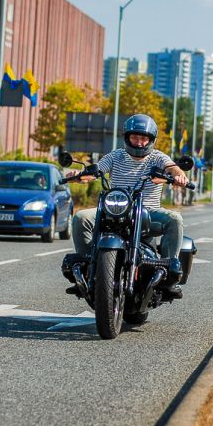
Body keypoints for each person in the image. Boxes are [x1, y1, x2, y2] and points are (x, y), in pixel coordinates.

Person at [69, 114, 189, 299]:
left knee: (175, 219)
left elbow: (173, 168)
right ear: (127, 137)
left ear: (150, 139)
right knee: (81, 217)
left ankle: (170, 274)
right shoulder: (116, 155)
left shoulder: (157, 157)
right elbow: (96, 171)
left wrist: (179, 176)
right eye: (135, 137)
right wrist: (80, 175)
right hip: (114, 210)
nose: (139, 142)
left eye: (143, 138)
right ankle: (87, 269)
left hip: (147, 212)